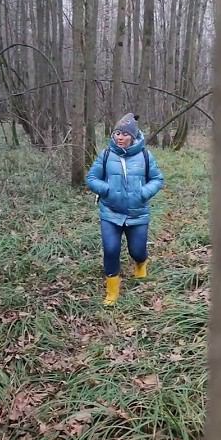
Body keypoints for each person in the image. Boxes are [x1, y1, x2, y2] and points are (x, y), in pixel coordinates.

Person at [86, 113, 165, 305]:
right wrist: (106, 190)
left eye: (125, 134)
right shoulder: (106, 154)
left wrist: (143, 193)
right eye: (117, 133)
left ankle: (141, 264)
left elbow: (157, 179)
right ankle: (112, 291)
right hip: (110, 213)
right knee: (111, 249)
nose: (120, 137)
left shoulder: (145, 155)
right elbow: (92, 178)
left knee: (137, 250)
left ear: (133, 136)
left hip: (138, 214)